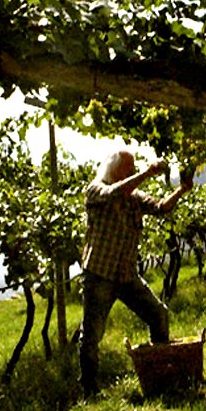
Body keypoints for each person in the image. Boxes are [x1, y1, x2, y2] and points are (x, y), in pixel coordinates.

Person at [79, 151, 192, 396]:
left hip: (126, 274)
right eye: (128, 168)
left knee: (159, 314)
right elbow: (113, 193)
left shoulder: (135, 197)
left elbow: (161, 207)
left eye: (134, 168)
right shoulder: (96, 189)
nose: (132, 172)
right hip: (100, 273)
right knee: (91, 335)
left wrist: (182, 190)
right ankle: (90, 390)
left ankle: (160, 374)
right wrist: (148, 172)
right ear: (114, 168)